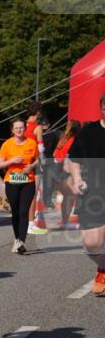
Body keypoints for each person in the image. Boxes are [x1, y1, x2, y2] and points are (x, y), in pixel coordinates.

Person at [65, 92, 105, 296]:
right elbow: (74, 159)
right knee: (92, 244)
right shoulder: (89, 131)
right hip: (93, 193)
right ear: (102, 109)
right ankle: (103, 267)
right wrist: (77, 179)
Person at [0, 119, 38, 254]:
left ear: (25, 128)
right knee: (15, 213)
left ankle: (21, 242)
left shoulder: (32, 143)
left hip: (28, 181)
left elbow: (39, 159)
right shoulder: (7, 145)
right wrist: (12, 161)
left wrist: (31, 166)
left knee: (23, 212)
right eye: (16, 128)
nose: (19, 130)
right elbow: (0, 165)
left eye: (21, 127)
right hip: (12, 181)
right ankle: (16, 239)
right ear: (12, 130)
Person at [54, 120, 81, 229]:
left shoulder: (62, 140)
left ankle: (65, 222)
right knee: (73, 195)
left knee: (68, 196)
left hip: (56, 169)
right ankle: (67, 221)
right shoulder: (76, 141)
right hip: (66, 169)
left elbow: (55, 154)